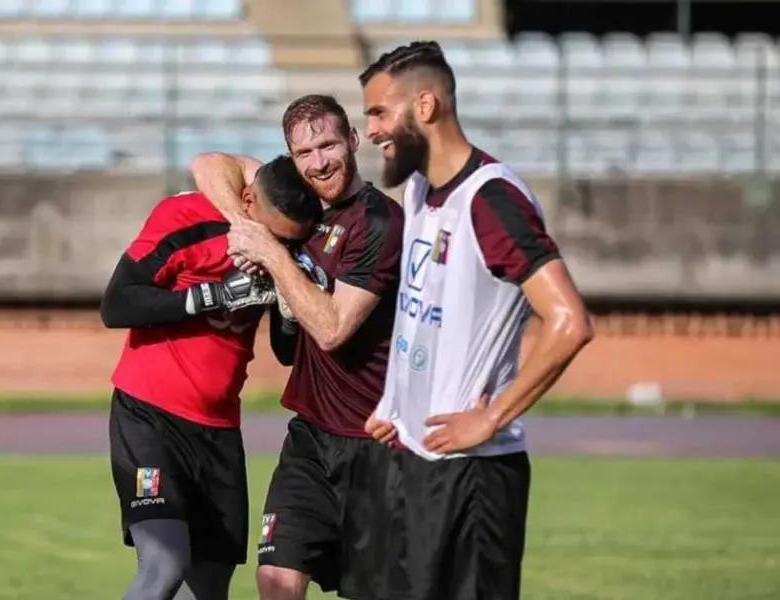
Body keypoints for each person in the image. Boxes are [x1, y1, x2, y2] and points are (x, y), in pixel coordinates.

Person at [359, 41, 594, 599]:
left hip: (474, 478)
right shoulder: (420, 191)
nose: (370, 131)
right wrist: (400, 403)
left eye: (378, 111)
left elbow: (569, 322)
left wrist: (490, 418)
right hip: (418, 463)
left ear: (426, 105)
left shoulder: (491, 199)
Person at [189, 94, 404, 600]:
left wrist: (268, 252)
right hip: (310, 436)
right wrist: (243, 225)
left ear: (352, 142)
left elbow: (332, 329)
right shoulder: (295, 203)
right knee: (276, 578)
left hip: (374, 442)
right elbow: (208, 164)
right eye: (304, 153)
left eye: (329, 145)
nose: (319, 162)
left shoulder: (378, 222)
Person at [102, 155, 322, 600]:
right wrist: (209, 295)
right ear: (246, 203)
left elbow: (284, 353)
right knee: (163, 565)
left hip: (219, 432)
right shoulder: (185, 218)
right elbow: (118, 303)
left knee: (207, 589)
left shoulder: (288, 249)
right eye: (273, 237)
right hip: (149, 417)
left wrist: (289, 304)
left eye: (288, 243)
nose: (276, 249)